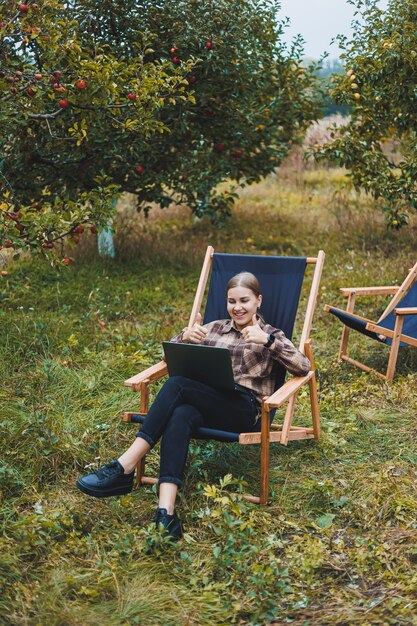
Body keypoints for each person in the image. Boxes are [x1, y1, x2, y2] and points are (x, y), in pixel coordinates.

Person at [77, 272, 310, 539]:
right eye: (231, 301)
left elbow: (303, 366)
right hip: (207, 402)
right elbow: (167, 357)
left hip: (243, 410)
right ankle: (166, 515)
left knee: (178, 385)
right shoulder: (214, 328)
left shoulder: (270, 333)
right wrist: (184, 337)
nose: (237, 307)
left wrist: (268, 342)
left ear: (258, 300)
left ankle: (124, 466)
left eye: (244, 300)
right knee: (181, 413)